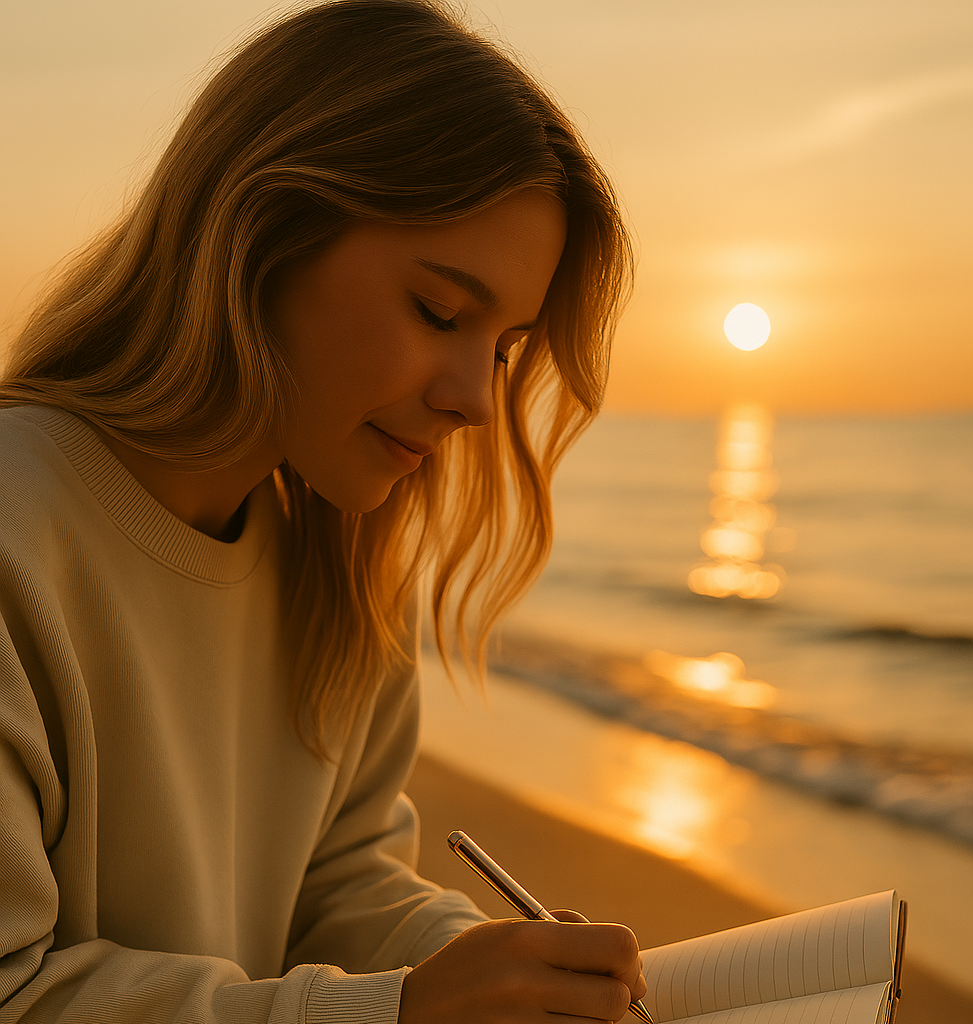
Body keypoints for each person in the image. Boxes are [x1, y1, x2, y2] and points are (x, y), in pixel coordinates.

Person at [0, 2, 643, 1021]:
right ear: (262, 235)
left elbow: (334, 883)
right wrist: (399, 1012)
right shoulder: (19, 543)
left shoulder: (332, 564)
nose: (477, 398)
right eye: (439, 312)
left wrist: (490, 967)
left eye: (507, 346)